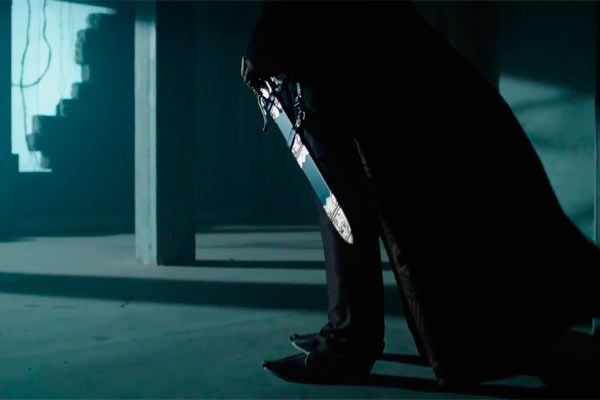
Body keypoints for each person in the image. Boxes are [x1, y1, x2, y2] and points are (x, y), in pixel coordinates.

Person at [241, 1, 600, 388]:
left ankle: (348, 343)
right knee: (354, 201)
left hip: (337, 50)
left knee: (346, 205)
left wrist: (263, 45)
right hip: (353, 47)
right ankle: (350, 334)